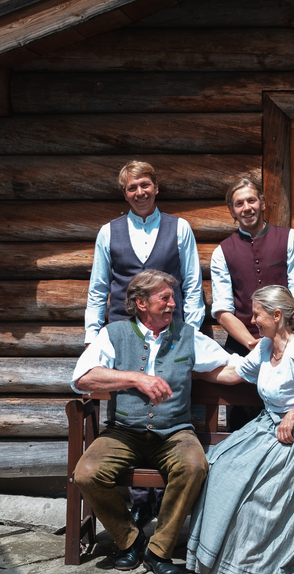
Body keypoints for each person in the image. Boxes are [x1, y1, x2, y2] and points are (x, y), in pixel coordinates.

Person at [71, 270, 237, 574]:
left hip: (175, 432)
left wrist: (270, 361)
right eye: (165, 298)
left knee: (194, 466)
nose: (173, 304)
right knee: (87, 473)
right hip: (124, 431)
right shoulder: (114, 334)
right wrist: (136, 377)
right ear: (141, 303)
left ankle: (158, 550)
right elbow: (82, 378)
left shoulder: (187, 336)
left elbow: (227, 368)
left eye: (173, 297)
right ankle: (129, 540)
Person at [186, 285, 294, 574]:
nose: (252, 320)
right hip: (266, 428)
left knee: (256, 494)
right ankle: (211, 553)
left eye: (257, 314)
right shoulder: (264, 346)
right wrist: (185, 369)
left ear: (276, 315)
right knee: (218, 466)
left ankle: (247, 563)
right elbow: (233, 374)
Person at [85, 160, 206, 529]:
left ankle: (167, 499)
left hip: (170, 333)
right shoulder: (109, 232)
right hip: (126, 337)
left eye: (145, 185)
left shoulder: (179, 228)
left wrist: (189, 333)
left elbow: (193, 286)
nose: (139, 193)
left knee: (170, 414)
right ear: (125, 193)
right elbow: (98, 288)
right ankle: (139, 504)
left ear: (156, 187)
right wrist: (93, 340)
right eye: (132, 188)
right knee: (129, 416)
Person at [210, 177, 294, 432]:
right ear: (232, 211)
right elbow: (222, 311)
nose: (247, 207)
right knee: (241, 421)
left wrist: (275, 339)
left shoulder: (290, 238)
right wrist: (252, 344)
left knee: (287, 419)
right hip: (243, 345)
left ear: (263, 203)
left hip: (286, 343)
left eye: (252, 200)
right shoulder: (222, 251)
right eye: (239, 203)